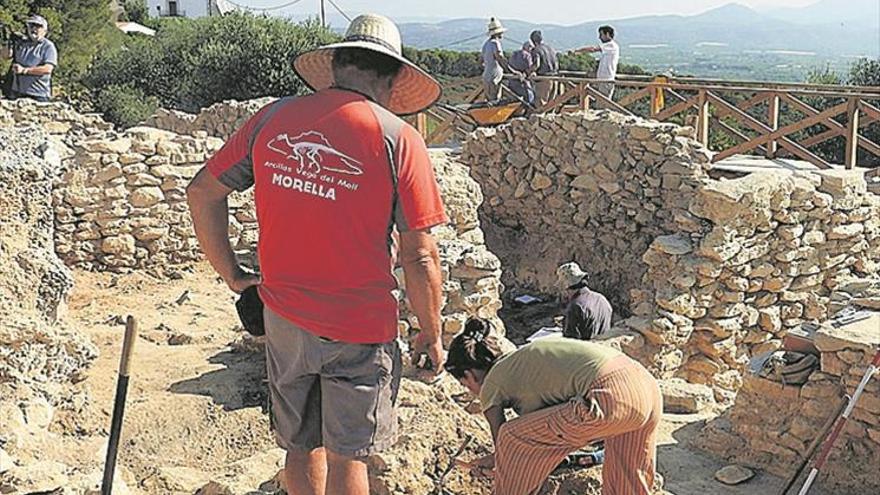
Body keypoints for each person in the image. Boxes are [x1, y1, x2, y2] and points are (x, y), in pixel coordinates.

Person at [186, 13, 448, 495]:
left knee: (301, 446)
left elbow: (202, 191)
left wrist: (235, 276)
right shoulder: (398, 139)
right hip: (359, 327)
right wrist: (430, 333)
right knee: (350, 455)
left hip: (285, 318)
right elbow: (420, 257)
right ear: (392, 80)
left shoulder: (273, 118)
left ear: (335, 68)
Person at [446, 318, 662, 495]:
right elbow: (544, 431)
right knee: (627, 482)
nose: (470, 390)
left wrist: (500, 468)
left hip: (609, 394)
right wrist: (496, 461)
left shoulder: (491, 383)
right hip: (646, 387)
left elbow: (506, 444)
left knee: (511, 436)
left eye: (465, 384)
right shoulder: (521, 363)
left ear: (469, 374)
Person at [0, 15, 57, 102]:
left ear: (45, 31)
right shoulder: (21, 43)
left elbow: (47, 69)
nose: (34, 28)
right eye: (31, 25)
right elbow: (5, 56)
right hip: (17, 92)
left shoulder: (48, 46)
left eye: (38, 26)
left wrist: (25, 70)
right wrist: (6, 42)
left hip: (38, 94)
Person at [556, 262, 613, 340]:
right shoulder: (602, 299)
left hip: (586, 350)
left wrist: (568, 321)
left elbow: (570, 342)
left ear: (566, 286)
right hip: (604, 348)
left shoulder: (575, 306)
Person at [573, 25, 619, 99]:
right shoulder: (609, 47)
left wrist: (578, 51)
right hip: (603, 80)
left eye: (601, 34)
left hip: (606, 80)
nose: (599, 37)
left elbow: (593, 49)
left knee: (603, 104)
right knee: (601, 103)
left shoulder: (611, 45)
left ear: (607, 34)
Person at [481, 17, 520, 102]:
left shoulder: (486, 44)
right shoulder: (495, 43)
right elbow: (500, 58)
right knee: (494, 101)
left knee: (490, 101)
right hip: (494, 77)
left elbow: (483, 60)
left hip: (487, 76)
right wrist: (512, 71)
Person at [530, 30, 559, 106]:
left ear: (533, 41)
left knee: (541, 105)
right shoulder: (551, 48)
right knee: (551, 105)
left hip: (544, 80)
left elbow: (536, 65)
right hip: (555, 78)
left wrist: (528, 72)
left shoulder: (536, 50)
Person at [507, 40, 537, 105]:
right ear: (529, 47)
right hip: (523, 82)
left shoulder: (514, 54)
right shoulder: (527, 55)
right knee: (530, 96)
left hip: (512, 82)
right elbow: (530, 68)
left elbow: (509, 65)